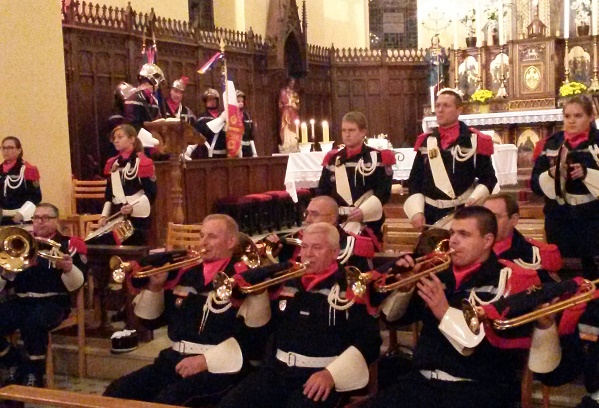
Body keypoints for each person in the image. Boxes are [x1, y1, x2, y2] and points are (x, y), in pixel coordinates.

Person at [365, 206, 563, 408]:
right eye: (452, 233)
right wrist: (405, 288)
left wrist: (445, 313)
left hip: (476, 389)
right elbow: (394, 319)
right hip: (421, 383)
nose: (453, 240)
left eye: (464, 234)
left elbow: (500, 350)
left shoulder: (509, 280)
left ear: (487, 240)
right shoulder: (438, 274)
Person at [219, 222, 382, 408]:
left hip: (322, 376)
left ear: (335, 252)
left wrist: (330, 375)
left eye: (317, 248)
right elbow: (263, 329)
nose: (308, 254)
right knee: (231, 403)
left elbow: (370, 341)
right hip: (277, 372)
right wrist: (257, 289)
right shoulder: (286, 280)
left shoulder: (351, 286)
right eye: (304, 247)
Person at [103, 214, 256, 406]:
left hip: (219, 366)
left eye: (211, 237)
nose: (204, 242)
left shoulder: (243, 278)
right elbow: (151, 322)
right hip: (174, 359)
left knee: (168, 401)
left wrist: (205, 361)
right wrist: (156, 288)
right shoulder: (186, 273)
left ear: (231, 241)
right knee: (117, 391)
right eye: (201, 236)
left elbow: (252, 337)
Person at [0, 203, 86, 387]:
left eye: (46, 218)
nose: (40, 222)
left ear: (56, 221)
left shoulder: (69, 244)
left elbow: (78, 284)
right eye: (37, 218)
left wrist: (68, 269)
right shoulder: (19, 241)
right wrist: (6, 272)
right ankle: (14, 361)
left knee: (33, 322)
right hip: (22, 301)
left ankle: (34, 372)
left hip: (53, 302)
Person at [403, 88, 497, 231]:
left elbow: (488, 178)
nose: (440, 110)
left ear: (459, 110)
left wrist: (474, 200)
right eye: (438, 105)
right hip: (430, 215)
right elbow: (415, 180)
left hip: (462, 213)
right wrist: (416, 212)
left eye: (446, 106)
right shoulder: (426, 141)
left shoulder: (474, 141)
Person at [531, 95, 599, 279]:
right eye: (567, 116)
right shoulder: (550, 144)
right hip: (560, 219)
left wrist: (587, 174)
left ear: (591, 117)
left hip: (593, 218)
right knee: (562, 273)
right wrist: (551, 175)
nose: (571, 121)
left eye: (578, 116)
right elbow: (535, 184)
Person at [316, 111, 395, 238]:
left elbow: (383, 191)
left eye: (351, 130)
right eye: (344, 130)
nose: (347, 135)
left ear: (363, 132)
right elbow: (323, 191)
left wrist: (364, 212)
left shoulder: (378, 158)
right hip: (338, 223)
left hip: (368, 223)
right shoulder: (333, 159)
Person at [267, 196, 374, 272]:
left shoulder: (354, 245)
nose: (307, 220)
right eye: (307, 214)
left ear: (331, 219)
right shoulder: (294, 241)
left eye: (314, 214)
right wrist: (273, 253)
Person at [98, 124, 156, 246]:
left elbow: (151, 192)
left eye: (120, 137)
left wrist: (133, 208)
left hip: (138, 218)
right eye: (114, 138)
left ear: (132, 139)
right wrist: (104, 216)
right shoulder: (112, 164)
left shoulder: (143, 162)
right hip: (117, 217)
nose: (116, 140)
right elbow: (109, 194)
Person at [483, 193, 562, 279]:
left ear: (514, 220)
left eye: (495, 217)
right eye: (483, 217)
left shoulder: (532, 256)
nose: (487, 223)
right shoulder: (473, 249)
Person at [0, 136, 42, 225]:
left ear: (19, 150)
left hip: (21, 218)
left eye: (10, 147)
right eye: (3, 148)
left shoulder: (28, 169)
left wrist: (23, 213)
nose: (6, 151)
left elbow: (36, 196)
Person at [123, 63, 164, 132]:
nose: (158, 87)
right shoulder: (133, 98)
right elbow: (132, 126)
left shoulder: (154, 101)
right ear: (153, 81)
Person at [190, 88, 228, 159]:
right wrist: (221, 120)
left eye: (213, 99)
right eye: (209, 100)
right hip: (207, 155)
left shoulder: (224, 116)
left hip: (224, 155)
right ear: (205, 102)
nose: (212, 101)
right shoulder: (201, 118)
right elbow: (206, 131)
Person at [424, 35, 449, 111]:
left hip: (440, 70)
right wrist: (433, 62)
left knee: (440, 85)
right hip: (432, 71)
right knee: (432, 85)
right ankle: (431, 101)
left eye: (436, 39)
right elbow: (427, 59)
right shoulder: (429, 50)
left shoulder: (441, 49)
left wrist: (441, 57)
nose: (435, 41)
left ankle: (441, 100)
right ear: (432, 41)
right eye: (434, 39)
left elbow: (444, 60)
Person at [278, 77, 300, 153]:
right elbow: (280, 104)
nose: (292, 84)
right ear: (288, 83)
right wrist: (288, 104)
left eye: (293, 83)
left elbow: (298, 105)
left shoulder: (294, 93)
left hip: (293, 113)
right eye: (291, 83)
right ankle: (287, 144)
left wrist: (294, 105)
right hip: (286, 113)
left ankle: (294, 144)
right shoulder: (283, 92)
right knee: (286, 127)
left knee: (294, 127)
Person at [237, 90, 257, 157]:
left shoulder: (247, 116)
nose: (241, 103)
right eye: (238, 101)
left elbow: (251, 133)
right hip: (236, 149)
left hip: (247, 149)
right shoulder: (230, 116)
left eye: (242, 101)